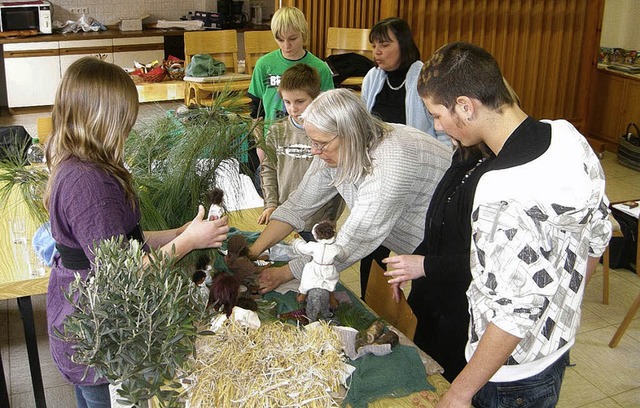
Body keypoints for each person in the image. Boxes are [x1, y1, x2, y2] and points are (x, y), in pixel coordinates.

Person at [413, 42, 611, 407]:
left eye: (437, 115)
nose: (438, 127)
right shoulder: (567, 135)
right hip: (555, 349)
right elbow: (597, 234)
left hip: (507, 377)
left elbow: (513, 312)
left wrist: (459, 393)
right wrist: (558, 309)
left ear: (465, 106)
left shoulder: (499, 189)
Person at [43, 57, 230, 407]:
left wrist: (181, 231)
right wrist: (188, 242)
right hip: (97, 330)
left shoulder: (83, 165)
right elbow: (124, 273)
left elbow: (127, 244)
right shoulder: (87, 183)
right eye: (126, 117)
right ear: (104, 118)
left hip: (89, 318)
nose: (130, 126)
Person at [247, 88, 451, 295]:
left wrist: (282, 274)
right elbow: (298, 205)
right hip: (422, 252)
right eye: (312, 142)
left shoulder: (391, 164)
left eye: (321, 143)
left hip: (448, 254)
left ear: (349, 135)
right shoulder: (337, 149)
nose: (314, 151)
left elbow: (352, 241)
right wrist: (252, 252)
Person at [358, 17, 451, 298]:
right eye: (374, 45)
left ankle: (419, 306)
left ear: (405, 45)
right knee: (372, 242)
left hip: (420, 177)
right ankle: (370, 302)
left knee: (419, 247)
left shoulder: (424, 78)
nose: (377, 52)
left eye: (385, 45)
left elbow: (444, 132)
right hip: (383, 174)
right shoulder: (372, 78)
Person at [258, 63, 343, 241]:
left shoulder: (328, 134)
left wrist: (330, 218)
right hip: (284, 214)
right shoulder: (277, 131)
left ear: (316, 98)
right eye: (287, 102)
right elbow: (268, 169)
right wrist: (271, 204)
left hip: (317, 221)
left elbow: (338, 180)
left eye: (300, 102)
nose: (293, 109)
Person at [247, 6, 334, 155]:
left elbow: (328, 113)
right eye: (280, 39)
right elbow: (256, 112)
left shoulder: (320, 68)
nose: (286, 46)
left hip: (308, 144)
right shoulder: (264, 65)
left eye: (293, 38)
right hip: (272, 142)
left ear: (304, 34)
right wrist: (261, 146)